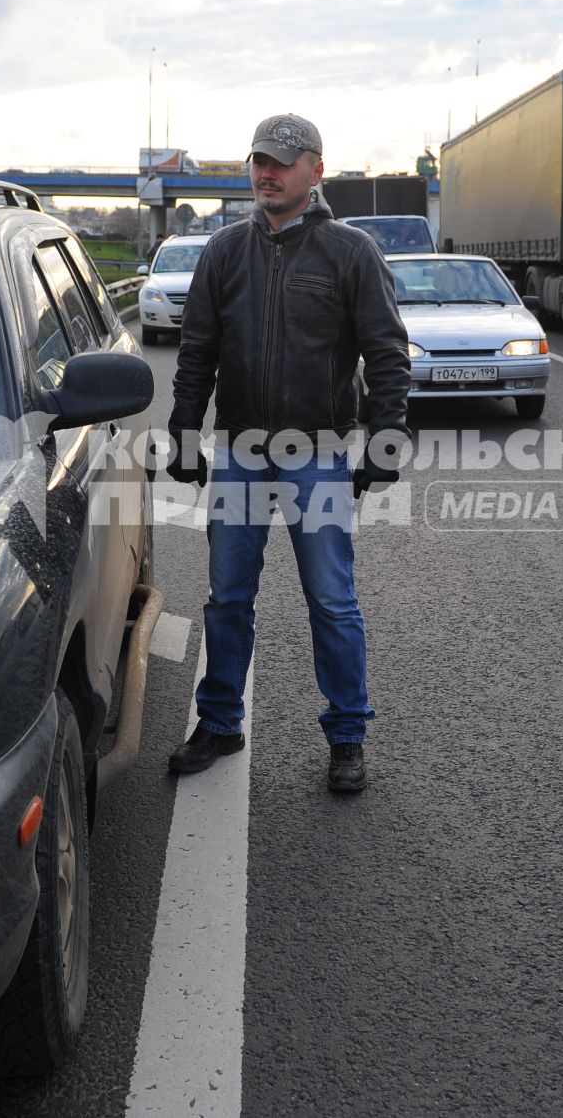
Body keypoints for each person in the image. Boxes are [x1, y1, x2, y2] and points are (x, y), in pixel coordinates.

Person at [165, 113, 411, 793]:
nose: (265, 172)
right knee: (227, 597)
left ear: (316, 171)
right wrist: (185, 433)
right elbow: (197, 355)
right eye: (257, 160)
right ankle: (220, 720)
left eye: (280, 161)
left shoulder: (350, 252)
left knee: (331, 599)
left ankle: (348, 734)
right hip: (240, 449)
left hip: (319, 453)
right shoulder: (222, 252)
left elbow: (388, 353)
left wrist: (387, 436)